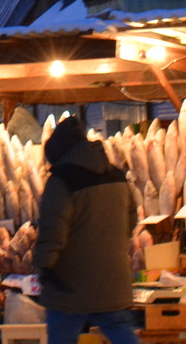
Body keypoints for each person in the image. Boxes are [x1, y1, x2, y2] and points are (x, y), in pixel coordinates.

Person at [32, 120, 139, 344]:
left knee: (62, 336)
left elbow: (52, 234)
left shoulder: (61, 182)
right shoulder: (117, 176)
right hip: (113, 281)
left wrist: (44, 268)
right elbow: (131, 219)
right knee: (122, 333)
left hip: (70, 285)